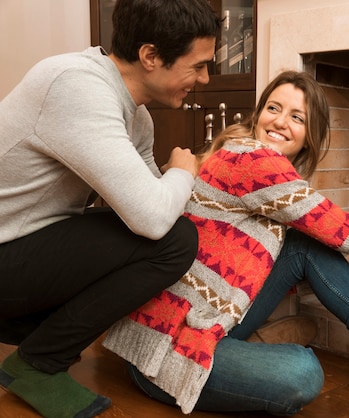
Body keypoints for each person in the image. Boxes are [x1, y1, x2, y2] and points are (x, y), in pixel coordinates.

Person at [103, 71, 349, 415]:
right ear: (258, 114)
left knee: (304, 242)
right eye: (274, 108)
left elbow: (271, 244)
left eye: (297, 117)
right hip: (166, 351)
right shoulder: (252, 158)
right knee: (303, 373)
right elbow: (342, 228)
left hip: (207, 320)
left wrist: (340, 261)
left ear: (309, 134)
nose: (281, 121)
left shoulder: (260, 167)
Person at [0, 1, 220, 417]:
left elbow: (152, 199)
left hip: (25, 247)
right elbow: (155, 219)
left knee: (161, 235)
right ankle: (37, 364)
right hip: (6, 250)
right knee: (172, 242)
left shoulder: (136, 116)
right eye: (198, 66)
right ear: (151, 56)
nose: (205, 79)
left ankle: (36, 339)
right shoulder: (75, 86)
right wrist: (185, 171)